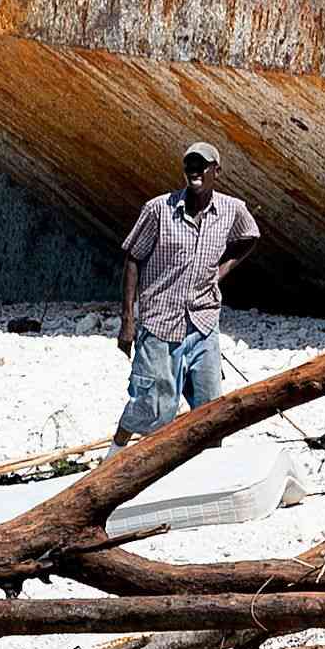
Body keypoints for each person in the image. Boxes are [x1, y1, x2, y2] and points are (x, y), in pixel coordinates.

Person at [118, 142, 261, 438]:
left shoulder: (232, 209)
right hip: (160, 324)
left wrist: (220, 272)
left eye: (202, 165)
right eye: (190, 165)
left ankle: (203, 472)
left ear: (216, 172)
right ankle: (113, 457)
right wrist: (127, 322)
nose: (195, 170)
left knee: (211, 413)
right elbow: (133, 257)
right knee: (150, 410)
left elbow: (250, 236)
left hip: (203, 323)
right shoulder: (159, 209)